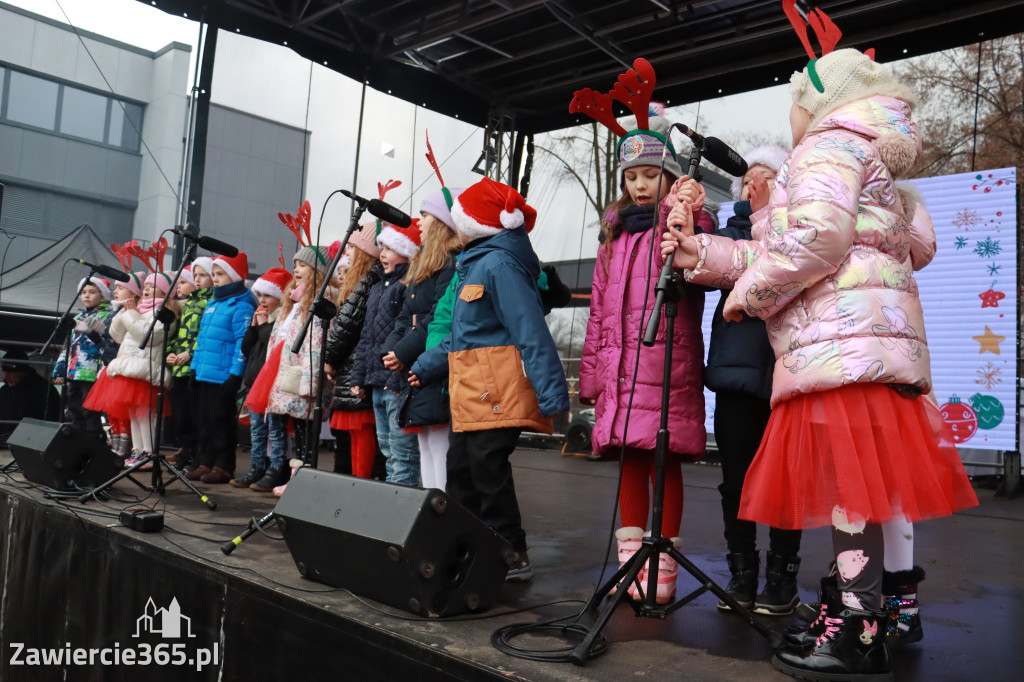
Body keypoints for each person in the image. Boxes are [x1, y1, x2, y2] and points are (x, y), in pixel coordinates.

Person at [662, 46, 978, 680]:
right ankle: (862, 611)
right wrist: (705, 254)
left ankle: (856, 628)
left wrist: (747, 298)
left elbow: (813, 241)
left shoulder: (828, 147)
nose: (792, 118)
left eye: (794, 103)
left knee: (848, 497)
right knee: (859, 492)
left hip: (838, 350)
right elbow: (902, 245)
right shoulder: (873, 157)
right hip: (873, 350)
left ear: (817, 102)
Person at [571, 70, 710, 602]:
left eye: (651, 175)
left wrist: (689, 212)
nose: (640, 185)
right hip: (622, 372)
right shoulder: (613, 236)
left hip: (665, 366)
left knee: (664, 460)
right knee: (629, 461)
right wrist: (593, 377)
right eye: (632, 177)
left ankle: (664, 572)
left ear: (668, 177)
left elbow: (697, 262)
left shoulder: (679, 223)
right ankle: (633, 568)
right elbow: (601, 315)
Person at [410, 178, 570, 582]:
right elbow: (460, 339)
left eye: (460, 215)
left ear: (476, 223)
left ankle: (511, 551)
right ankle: (468, 548)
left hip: (497, 389)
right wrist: (426, 366)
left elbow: (530, 330)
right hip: (474, 391)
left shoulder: (499, 265)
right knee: (460, 468)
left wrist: (554, 396)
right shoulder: (476, 264)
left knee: (486, 468)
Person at [706, 145, 804, 616]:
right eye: (747, 179)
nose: (755, 185)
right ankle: (741, 575)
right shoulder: (730, 235)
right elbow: (702, 262)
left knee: (786, 482)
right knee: (735, 481)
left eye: (765, 177)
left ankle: (782, 580)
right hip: (737, 378)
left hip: (788, 377)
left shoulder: (800, 230)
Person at [382, 189, 464, 490]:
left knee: (438, 440)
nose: (419, 221)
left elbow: (435, 316)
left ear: (443, 221)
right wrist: (391, 349)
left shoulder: (451, 263)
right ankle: (431, 503)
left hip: (433, 363)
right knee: (425, 440)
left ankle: (441, 505)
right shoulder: (421, 265)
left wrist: (402, 351)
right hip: (416, 363)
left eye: (426, 215)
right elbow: (405, 315)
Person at [351, 220, 421, 486]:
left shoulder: (407, 285)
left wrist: (394, 379)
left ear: (407, 251)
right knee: (387, 448)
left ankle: (402, 504)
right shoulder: (378, 288)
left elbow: (407, 334)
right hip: (377, 383)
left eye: (390, 248)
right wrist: (358, 378)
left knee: (402, 451)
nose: (382, 254)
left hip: (396, 383)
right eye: (381, 247)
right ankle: (393, 499)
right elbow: (367, 337)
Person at [84, 272, 178, 466]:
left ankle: (149, 453)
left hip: (145, 368)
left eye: (152, 286)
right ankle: (137, 450)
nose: (147, 290)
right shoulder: (139, 310)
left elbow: (148, 335)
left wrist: (130, 314)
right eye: (146, 286)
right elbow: (117, 336)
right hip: (129, 365)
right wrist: (123, 312)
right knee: (134, 414)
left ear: (165, 291)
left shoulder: (166, 311)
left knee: (145, 415)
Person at [261, 243, 333, 493]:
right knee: (295, 429)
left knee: (305, 431)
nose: (297, 269)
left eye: (303, 265)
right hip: (286, 373)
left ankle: (303, 479)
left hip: (302, 376)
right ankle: (295, 476)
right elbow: (277, 337)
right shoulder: (293, 299)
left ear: (317, 270)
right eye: (296, 265)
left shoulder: (319, 301)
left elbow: (315, 342)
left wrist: (309, 381)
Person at [189, 252, 255, 484]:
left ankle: (223, 465)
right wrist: (194, 368)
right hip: (206, 372)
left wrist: (235, 374)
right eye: (214, 274)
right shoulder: (213, 304)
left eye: (220, 274)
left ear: (235, 276)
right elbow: (203, 340)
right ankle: (205, 460)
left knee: (221, 421)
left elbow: (242, 343)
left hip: (223, 375)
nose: (214, 278)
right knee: (205, 420)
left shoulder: (242, 305)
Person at [323, 225, 383, 479]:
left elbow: (345, 327)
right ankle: (359, 481)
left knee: (362, 433)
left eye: (352, 248)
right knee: (360, 434)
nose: (347, 253)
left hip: (355, 366)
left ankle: (361, 483)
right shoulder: (369, 282)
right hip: (355, 366)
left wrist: (329, 359)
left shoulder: (364, 282)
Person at [232, 267, 292, 490]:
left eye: (267, 295)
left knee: (275, 429)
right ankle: (256, 467)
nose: (262, 300)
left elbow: (273, 345)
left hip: (273, 382)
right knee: (256, 429)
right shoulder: (260, 316)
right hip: (255, 381)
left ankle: (276, 469)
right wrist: (254, 327)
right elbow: (247, 348)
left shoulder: (282, 318)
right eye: (260, 295)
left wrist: (265, 325)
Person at [51, 277, 116, 443]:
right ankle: (78, 443)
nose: (86, 296)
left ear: (103, 297)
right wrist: (60, 368)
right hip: (74, 371)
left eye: (92, 292)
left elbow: (108, 343)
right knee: (74, 409)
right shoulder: (79, 316)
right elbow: (69, 345)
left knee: (90, 410)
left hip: (92, 372)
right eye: (83, 292)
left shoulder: (108, 316)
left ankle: (94, 443)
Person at [166, 259, 213, 471]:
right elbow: (178, 335)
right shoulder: (189, 304)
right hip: (179, 367)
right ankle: (185, 450)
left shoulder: (210, 302)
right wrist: (171, 352)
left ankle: (196, 455)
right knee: (181, 413)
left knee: (196, 414)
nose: (197, 279)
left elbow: (206, 335)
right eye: (195, 275)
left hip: (195, 366)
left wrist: (190, 353)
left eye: (202, 275)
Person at [105, 273, 144, 458]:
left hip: (127, 363)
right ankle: (116, 441)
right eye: (115, 287)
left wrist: (128, 313)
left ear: (135, 292)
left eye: (120, 287)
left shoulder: (138, 311)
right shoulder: (116, 310)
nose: (116, 291)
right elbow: (113, 336)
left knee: (125, 410)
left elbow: (131, 336)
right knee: (112, 409)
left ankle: (127, 446)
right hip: (113, 364)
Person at [0, 350, 60, 446]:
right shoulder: (4, 391)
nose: (6, 377)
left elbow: (52, 422)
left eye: (11, 372)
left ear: (24, 371)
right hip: (4, 443)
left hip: (30, 445)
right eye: (6, 372)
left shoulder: (45, 391)